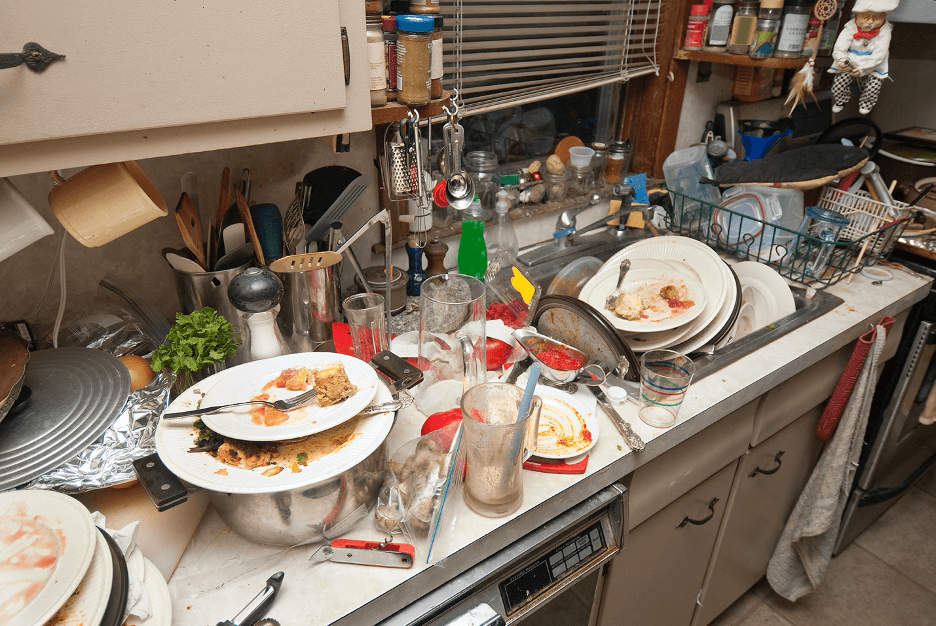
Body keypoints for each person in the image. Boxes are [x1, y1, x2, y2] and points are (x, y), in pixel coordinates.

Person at [828, 0, 898, 115]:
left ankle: (867, 103)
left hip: (873, 62)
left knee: (873, 87)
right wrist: (840, 59)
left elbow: (879, 53)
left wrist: (864, 68)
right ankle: (841, 100)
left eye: (875, 18)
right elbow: (840, 46)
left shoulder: (885, 29)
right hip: (850, 58)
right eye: (866, 17)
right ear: (858, 15)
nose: (870, 22)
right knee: (838, 85)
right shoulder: (851, 25)